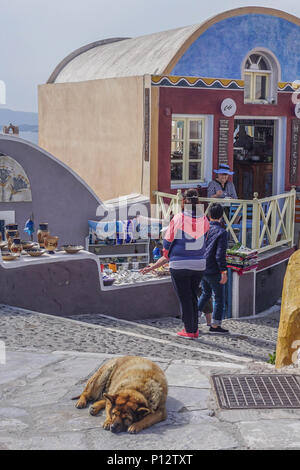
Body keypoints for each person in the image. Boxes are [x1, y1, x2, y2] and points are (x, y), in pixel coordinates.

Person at [141, 189, 210, 339]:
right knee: (192, 296)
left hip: (180, 264)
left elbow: (167, 242)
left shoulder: (178, 218)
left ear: (183, 202)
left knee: (185, 297)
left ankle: (189, 330)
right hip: (199, 264)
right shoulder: (204, 219)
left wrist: (164, 255)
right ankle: (194, 329)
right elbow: (205, 237)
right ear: (197, 202)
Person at [198, 203, 229, 334]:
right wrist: (224, 271)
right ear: (222, 216)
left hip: (201, 267)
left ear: (209, 215)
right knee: (219, 298)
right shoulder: (222, 232)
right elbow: (219, 254)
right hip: (214, 269)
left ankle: (193, 317)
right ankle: (215, 325)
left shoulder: (203, 229)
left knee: (206, 293)